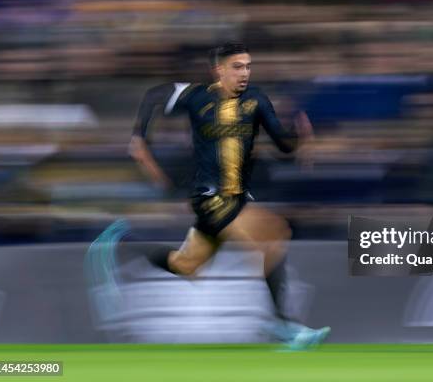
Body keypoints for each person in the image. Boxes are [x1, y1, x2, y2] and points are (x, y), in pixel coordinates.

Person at [95, 42, 329, 349]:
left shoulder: (256, 100)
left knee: (186, 265)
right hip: (209, 196)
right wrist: (139, 137)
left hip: (239, 196)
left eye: (247, 66)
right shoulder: (196, 96)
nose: (244, 73)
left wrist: (300, 141)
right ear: (218, 70)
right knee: (272, 232)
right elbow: (154, 95)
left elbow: (282, 143)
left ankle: (121, 245)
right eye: (237, 67)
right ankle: (283, 326)